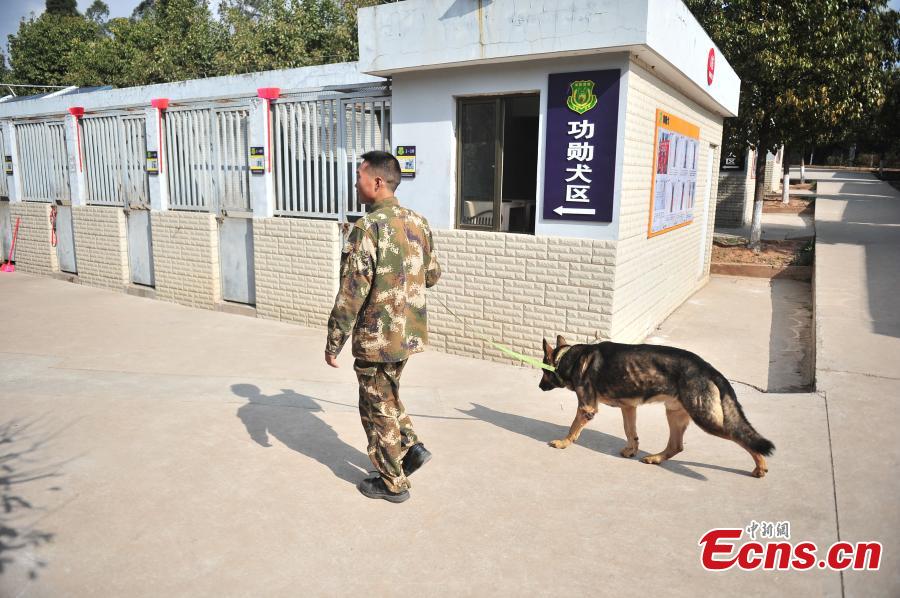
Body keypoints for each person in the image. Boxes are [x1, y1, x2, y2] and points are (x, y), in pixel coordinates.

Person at [325, 150, 441, 503]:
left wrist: (334, 341)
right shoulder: (418, 222)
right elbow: (432, 275)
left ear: (377, 181)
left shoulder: (367, 228)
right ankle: (411, 447)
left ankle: (393, 482)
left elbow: (352, 293)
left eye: (359, 176)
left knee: (376, 407)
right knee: (385, 394)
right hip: (408, 332)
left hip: (378, 338)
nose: (355, 183)